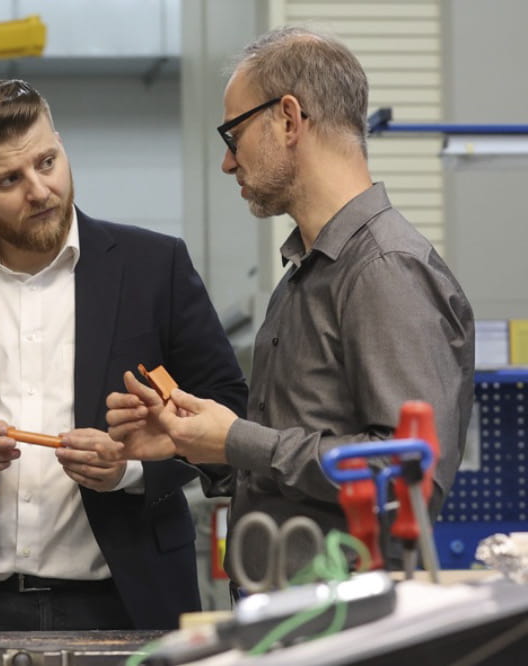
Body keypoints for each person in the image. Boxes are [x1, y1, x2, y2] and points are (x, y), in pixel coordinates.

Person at [0, 79, 248, 641]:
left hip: (131, 598)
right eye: (9, 179)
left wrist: (131, 469)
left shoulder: (155, 268)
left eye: (47, 161)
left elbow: (228, 407)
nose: (40, 190)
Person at [103, 26, 475, 585]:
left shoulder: (384, 268)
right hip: (289, 617)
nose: (229, 164)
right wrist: (199, 446)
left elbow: (405, 480)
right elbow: (289, 466)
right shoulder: (305, 274)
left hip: (345, 624)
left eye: (234, 134)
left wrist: (237, 438)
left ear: (289, 119)